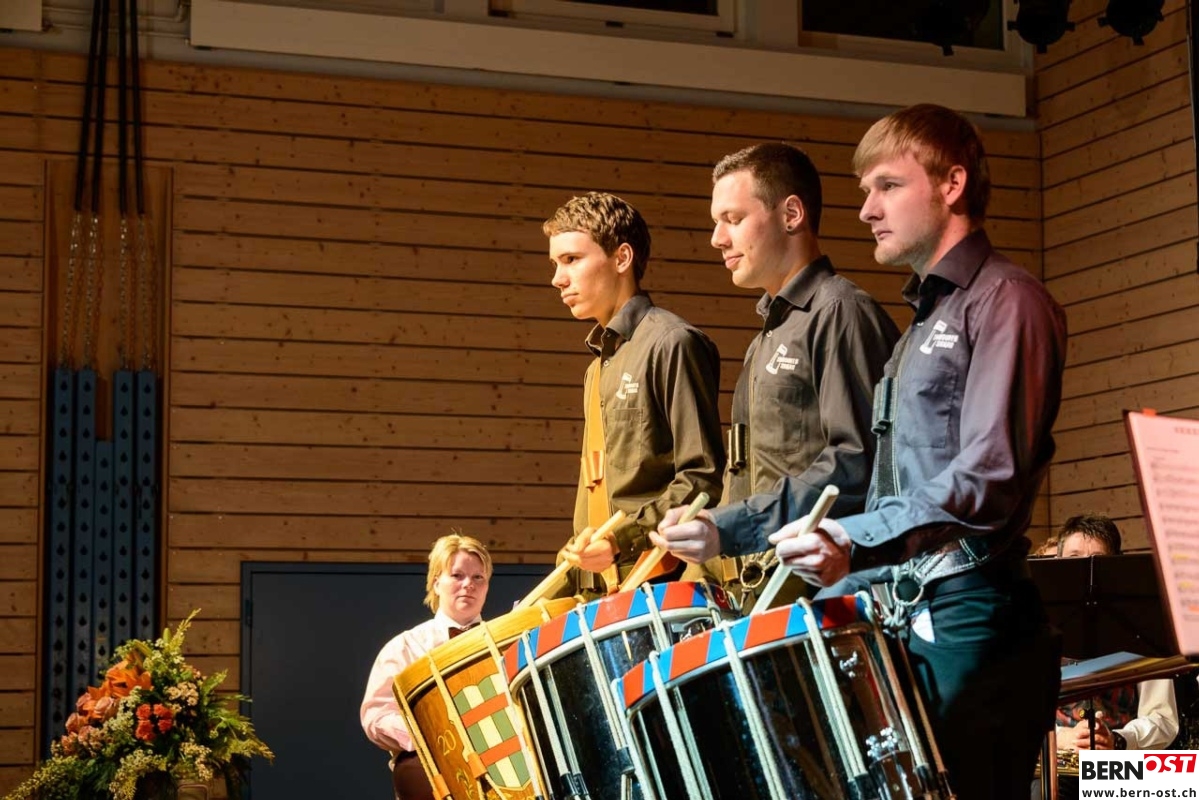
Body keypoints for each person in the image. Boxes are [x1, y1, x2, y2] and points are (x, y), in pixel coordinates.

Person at [657, 104, 1066, 800]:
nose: (867, 209)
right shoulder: (920, 326)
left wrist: (851, 537)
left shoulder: (1008, 300)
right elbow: (882, 483)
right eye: (865, 191)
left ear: (952, 184)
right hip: (906, 607)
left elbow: (988, 476)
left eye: (887, 186)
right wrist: (742, 533)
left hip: (970, 614)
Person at [674, 142, 899, 608]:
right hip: (762, 590)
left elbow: (856, 465)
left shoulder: (840, 313)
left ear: (791, 214)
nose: (717, 238)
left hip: (824, 594)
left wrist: (729, 526)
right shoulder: (766, 338)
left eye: (733, 219)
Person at [546, 192, 724, 595]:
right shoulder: (596, 369)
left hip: (658, 584)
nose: (558, 278)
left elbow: (702, 479)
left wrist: (620, 539)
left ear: (622, 258)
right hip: (600, 590)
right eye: (556, 264)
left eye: (571, 259)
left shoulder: (672, 343)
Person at [360, 533, 492, 800]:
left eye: (478, 577)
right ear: (436, 582)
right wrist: (427, 736)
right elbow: (376, 715)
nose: (468, 584)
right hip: (431, 779)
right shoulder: (404, 647)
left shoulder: (504, 641)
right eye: (457, 575)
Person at [1054, 514, 1178, 753]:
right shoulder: (1034, 629)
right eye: (1073, 559)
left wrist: (1119, 740)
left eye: (1097, 560)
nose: (1085, 571)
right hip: (1054, 760)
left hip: (1118, 761)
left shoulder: (1145, 629)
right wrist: (1061, 737)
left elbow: (1163, 718)